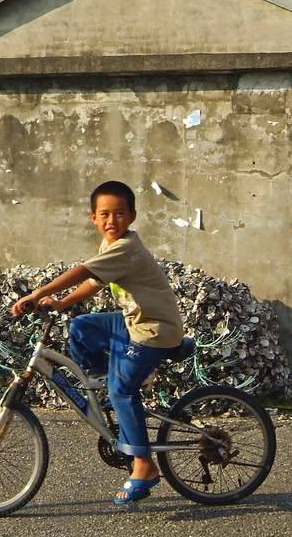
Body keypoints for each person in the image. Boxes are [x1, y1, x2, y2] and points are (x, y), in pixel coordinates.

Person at [11, 180, 185, 504]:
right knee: (82, 327)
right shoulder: (110, 247)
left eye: (119, 213)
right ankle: (109, 393)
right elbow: (93, 282)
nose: (112, 220)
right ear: (93, 217)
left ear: (132, 216)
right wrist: (61, 304)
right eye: (104, 214)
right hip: (135, 322)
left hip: (154, 329)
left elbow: (81, 271)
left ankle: (145, 466)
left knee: (124, 391)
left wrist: (39, 293)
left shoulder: (127, 247)